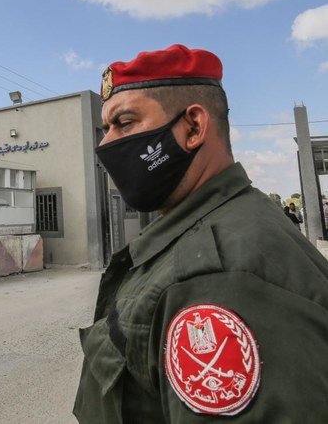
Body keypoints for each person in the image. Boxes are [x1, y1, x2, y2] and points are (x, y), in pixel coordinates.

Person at [74, 44, 328, 422]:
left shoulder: (221, 276)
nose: (105, 144)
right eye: (106, 127)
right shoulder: (210, 229)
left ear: (193, 127)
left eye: (124, 123)